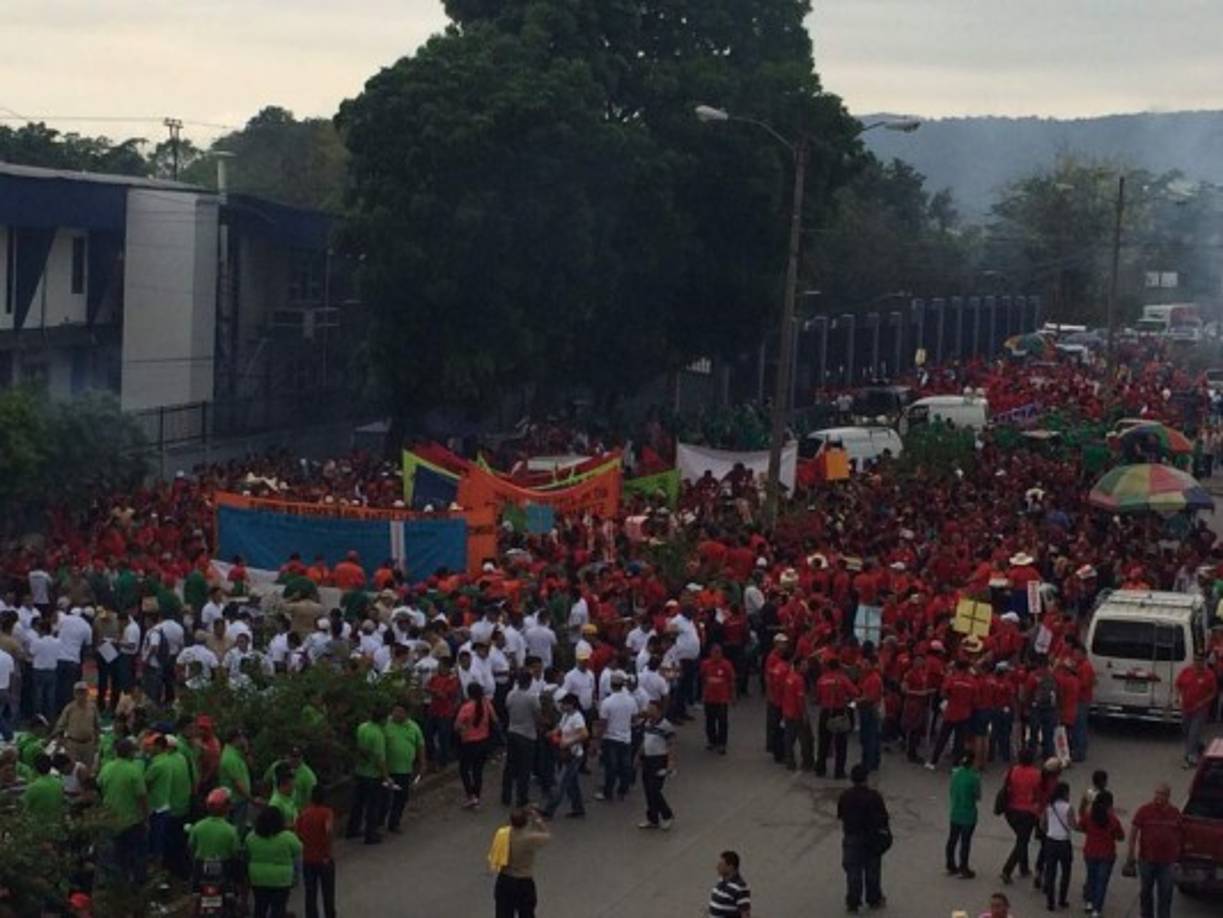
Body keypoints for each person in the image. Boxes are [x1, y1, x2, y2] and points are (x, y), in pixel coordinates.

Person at [97, 736, 149, 886]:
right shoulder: (134, 771)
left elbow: (99, 786)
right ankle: (137, 885)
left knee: (115, 855)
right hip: (132, 820)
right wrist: (146, 818)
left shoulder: (107, 767)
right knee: (136, 854)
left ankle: (117, 884)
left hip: (110, 819)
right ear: (130, 753)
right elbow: (142, 797)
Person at [837, 763, 889, 912]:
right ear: (866, 779)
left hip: (852, 836)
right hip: (871, 838)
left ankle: (853, 901)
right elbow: (883, 818)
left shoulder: (845, 796)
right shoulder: (874, 797)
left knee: (853, 871)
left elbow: (841, 815)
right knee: (872, 870)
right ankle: (874, 898)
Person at [1127, 783, 1182, 918]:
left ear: (1168, 796)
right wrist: (1131, 852)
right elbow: (1134, 831)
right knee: (1146, 892)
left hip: (1167, 862)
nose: (1158, 796)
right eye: (1156, 793)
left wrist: (1178, 857)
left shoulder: (1175, 813)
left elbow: (1180, 834)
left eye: (1162, 794)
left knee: (1166, 893)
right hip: (1147, 860)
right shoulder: (1144, 810)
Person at [245, 804, 302, 918]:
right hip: (281, 880)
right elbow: (299, 850)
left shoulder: (251, 837)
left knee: (260, 907)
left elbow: (247, 854)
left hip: (258, 879)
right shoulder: (287, 837)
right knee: (278, 908)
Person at [492, 807, 550, 918]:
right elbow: (547, 836)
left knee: (503, 913)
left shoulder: (502, 834)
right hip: (523, 881)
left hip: (505, 879)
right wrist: (537, 820)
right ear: (526, 822)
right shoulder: (529, 838)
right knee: (526, 913)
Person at [540, 693, 588, 819]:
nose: (562, 705)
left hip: (573, 755)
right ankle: (578, 809)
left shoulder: (577, 718)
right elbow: (560, 728)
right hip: (569, 754)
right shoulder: (566, 715)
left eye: (564, 704)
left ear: (571, 704)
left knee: (560, 784)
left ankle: (549, 811)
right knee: (572, 784)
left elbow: (584, 734)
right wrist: (552, 733)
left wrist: (568, 742)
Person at [187, 788, 242, 897]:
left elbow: (191, 846)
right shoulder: (231, 830)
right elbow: (235, 852)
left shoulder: (198, 827)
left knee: (195, 895)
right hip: (224, 869)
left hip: (201, 868)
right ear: (226, 808)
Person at [1000, 747, 1043, 883]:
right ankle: (1007, 869)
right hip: (1028, 812)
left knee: (1021, 838)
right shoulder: (1037, 774)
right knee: (1022, 841)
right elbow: (1039, 793)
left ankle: (1023, 867)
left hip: (1011, 811)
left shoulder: (1012, 771)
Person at [347, 703, 388, 843]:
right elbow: (380, 759)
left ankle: (352, 829)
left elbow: (358, 747)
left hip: (360, 771)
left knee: (357, 803)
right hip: (372, 775)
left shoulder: (362, 727)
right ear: (382, 719)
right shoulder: (378, 734)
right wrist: (386, 776)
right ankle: (370, 835)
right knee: (372, 806)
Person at [1079, 789, 1123, 918]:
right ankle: (1096, 909)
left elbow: (1081, 827)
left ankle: (1089, 902)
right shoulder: (1112, 819)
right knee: (1101, 882)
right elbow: (1120, 836)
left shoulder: (1089, 815)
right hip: (1106, 854)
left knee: (1091, 877)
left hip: (1090, 851)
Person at [595, 671, 637, 802]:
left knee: (611, 768)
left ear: (612, 685)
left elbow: (603, 724)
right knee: (625, 766)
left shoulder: (607, 702)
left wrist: (597, 741)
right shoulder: (631, 700)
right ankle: (622, 791)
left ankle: (608, 793)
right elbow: (634, 719)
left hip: (611, 738)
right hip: (626, 737)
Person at [502, 670, 542, 808]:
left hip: (512, 731)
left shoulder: (510, 695)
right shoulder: (532, 698)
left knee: (510, 766)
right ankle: (522, 797)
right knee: (524, 768)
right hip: (527, 734)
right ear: (530, 682)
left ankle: (505, 796)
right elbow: (537, 716)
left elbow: (507, 709)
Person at [456, 682, 498, 809]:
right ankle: (477, 797)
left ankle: (470, 795)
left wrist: (464, 730)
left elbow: (457, 725)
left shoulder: (466, 707)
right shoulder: (486, 704)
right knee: (477, 771)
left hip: (469, 743)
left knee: (464, 770)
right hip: (483, 742)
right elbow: (495, 719)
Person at [297, 785, 337, 918]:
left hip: (308, 857)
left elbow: (299, 833)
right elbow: (329, 830)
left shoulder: (304, 813)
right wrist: (328, 851)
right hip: (323, 858)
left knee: (310, 893)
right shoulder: (327, 812)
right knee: (328, 893)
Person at [384, 702, 425, 832]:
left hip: (404, 769)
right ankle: (379, 821)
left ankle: (394, 823)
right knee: (383, 797)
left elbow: (420, 745)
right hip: (386, 769)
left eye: (401, 712)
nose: (397, 714)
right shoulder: (385, 725)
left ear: (407, 713)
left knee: (401, 798)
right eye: (395, 711)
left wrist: (423, 763)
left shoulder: (413, 727)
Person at [638, 701, 677, 830]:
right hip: (648, 759)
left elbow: (671, 745)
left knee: (654, 789)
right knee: (647, 790)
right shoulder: (648, 723)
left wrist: (670, 763)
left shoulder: (666, 726)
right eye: (648, 709)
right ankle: (652, 818)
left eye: (651, 709)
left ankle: (667, 814)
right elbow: (645, 741)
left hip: (659, 760)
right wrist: (638, 756)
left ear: (659, 711)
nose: (648, 711)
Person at [1174, 653, 1218, 767]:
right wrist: (1177, 697)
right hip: (1186, 707)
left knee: (1194, 732)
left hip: (1200, 709)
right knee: (1186, 731)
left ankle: (1191, 757)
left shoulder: (1209, 675)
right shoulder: (1186, 671)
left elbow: (1213, 692)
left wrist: (1203, 702)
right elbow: (1178, 685)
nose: (1198, 662)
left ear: (1204, 662)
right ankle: (1199, 745)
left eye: (1200, 660)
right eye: (1196, 660)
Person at [1041, 780, 1077, 911]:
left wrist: (1049, 831)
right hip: (1064, 842)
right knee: (1066, 872)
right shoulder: (1068, 807)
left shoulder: (1049, 806)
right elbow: (1073, 825)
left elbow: (1042, 824)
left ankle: (1050, 902)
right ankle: (1062, 899)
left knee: (1050, 872)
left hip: (1051, 841)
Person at [946, 750, 981, 878]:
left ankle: (950, 863)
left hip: (955, 811)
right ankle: (963, 867)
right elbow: (977, 796)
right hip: (968, 814)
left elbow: (951, 790)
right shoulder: (974, 777)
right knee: (965, 842)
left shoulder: (955, 774)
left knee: (952, 839)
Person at [51, 680, 100, 767]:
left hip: (88, 745)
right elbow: (60, 726)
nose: (81, 695)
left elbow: (97, 726)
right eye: (78, 692)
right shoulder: (69, 708)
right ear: (74, 694)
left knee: (88, 770)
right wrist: (59, 743)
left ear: (87, 693)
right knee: (73, 770)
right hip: (73, 745)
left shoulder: (92, 707)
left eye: (83, 692)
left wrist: (97, 743)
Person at [700, 643, 735, 754]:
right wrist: (703, 694)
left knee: (722, 722)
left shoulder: (726, 665)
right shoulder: (705, 664)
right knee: (710, 721)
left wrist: (732, 696)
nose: (716, 654)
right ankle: (712, 741)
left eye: (718, 652)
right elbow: (702, 678)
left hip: (721, 699)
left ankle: (722, 744)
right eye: (714, 652)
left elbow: (732, 681)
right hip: (709, 699)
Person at [708, 849, 751, 917]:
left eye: (721, 864)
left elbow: (745, 914)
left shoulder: (740, 887)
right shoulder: (721, 882)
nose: (717, 867)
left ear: (730, 867)